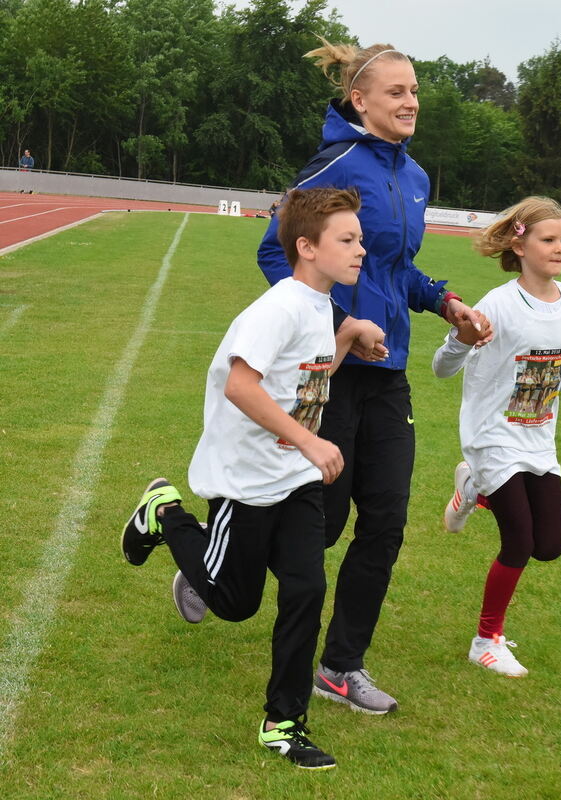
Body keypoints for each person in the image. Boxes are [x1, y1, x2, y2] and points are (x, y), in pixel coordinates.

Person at [257, 39, 492, 714]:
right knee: (320, 526)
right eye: (397, 91)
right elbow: (277, 253)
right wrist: (335, 327)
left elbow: (397, 270)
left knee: (385, 520)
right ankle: (222, 563)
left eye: (415, 90)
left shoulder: (414, 177)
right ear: (360, 100)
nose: (411, 101)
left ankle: (340, 666)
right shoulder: (335, 166)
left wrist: (447, 304)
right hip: (332, 373)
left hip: (390, 375)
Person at [121, 187, 386, 770]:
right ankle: (164, 512)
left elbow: (305, 384)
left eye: (360, 239)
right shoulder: (280, 307)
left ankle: (283, 723)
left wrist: (346, 336)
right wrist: (312, 440)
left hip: (292, 480)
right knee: (234, 603)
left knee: (306, 589)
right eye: (348, 240)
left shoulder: (320, 307)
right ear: (306, 247)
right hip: (245, 482)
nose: (361, 250)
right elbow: (242, 387)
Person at [434, 196, 561, 677]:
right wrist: (460, 337)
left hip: (538, 439)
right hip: (492, 436)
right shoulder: (498, 304)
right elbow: (442, 368)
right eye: (549, 240)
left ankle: (472, 490)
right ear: (520, 245)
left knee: (549, 546)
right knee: (518, 541)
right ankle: (486, 640)